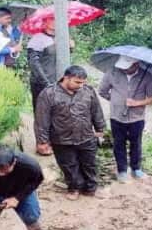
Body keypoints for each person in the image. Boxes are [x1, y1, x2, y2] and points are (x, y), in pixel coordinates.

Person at [35, 65, 106, 200]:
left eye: (83, 82)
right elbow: (41, 119)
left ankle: (91, 188)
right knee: (69, 165)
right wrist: (42, 141)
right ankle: (74, 188)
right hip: (61, 138)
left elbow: (96, 110)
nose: (81, 85)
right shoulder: (49, 94)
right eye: (77, 82)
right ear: (66, 78)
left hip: (86, 135)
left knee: (90, 164)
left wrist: (100, 128)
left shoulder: (88, 91)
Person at [98, 56, 152, 182]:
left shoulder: (147, 76)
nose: (124, 70)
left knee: (136, 143)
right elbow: (102, 91)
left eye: (127, 67)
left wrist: (136, 103)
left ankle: (136, 168)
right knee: (118, 143)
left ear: (136, 64)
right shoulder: (112, 72)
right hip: (117, 116)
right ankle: (122, 170)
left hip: (137, 118)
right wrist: (115, 101)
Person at [26, 17, 59, 115]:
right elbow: (34, 64)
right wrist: (46, 83)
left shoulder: (59, 37)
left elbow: (59, 59)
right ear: (45, 23)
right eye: (51, 19)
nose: (55, 22)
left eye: (55, 19)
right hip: (41, 83)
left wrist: (70, 48)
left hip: (57, 80)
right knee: (42, 113)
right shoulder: (37, 39)